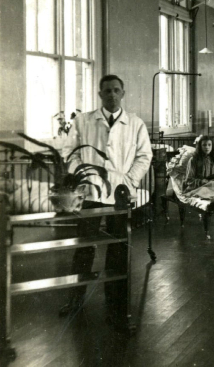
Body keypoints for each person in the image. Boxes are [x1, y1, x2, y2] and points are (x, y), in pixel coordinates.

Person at [61, 74, 153, 316]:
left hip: (121, 194)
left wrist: (130, 180)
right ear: (100, 94)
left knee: (118, 247)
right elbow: (70, 153)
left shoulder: (135, 123)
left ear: (123, 93)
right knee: (84, 246)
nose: (112, 95)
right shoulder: (83, 121)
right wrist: (84, 176)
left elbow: (145, 156)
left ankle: (115, 302)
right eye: (107, 91)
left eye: (116, 90)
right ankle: (75, 299)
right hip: (90, 192)